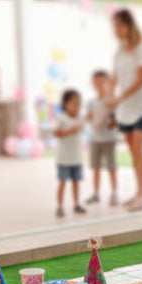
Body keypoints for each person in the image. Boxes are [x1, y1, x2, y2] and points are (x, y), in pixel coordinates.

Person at [107, 9, 142, 212]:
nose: (116, 30)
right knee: (133, 153)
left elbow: (140, 79)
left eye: (119, 25)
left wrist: (120, 97)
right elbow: (114, 78)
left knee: (139, 150)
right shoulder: (119, 52)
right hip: (125, 110)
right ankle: (138, 193)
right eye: (114, 26)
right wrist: (108, 96)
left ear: (129, 25)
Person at [85, 69, 119, 206]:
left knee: (111, 167)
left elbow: (115, 123)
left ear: (108, 83)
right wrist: (91, 119)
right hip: (95, 139)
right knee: (96, 167)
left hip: (109, 139)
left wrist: (110, 115)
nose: (99, 86)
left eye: (102, 83)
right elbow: (88, 118)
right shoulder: (91, 102)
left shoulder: (112, 101)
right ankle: (96, 194)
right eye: (96, 83)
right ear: (92, 84)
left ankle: (114, 193)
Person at [53, 89, 87, 218]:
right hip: (63, 159)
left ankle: (76, 204)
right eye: (74, 103)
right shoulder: (61, 118)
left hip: (77, 158)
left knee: (76, 182)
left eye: (79, 103)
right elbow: (57, 133)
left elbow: (86, 123)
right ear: (65, 103)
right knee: (62, 182)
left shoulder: (80, 118)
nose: (77, 106)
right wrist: (70, 131)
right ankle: (60, 206)